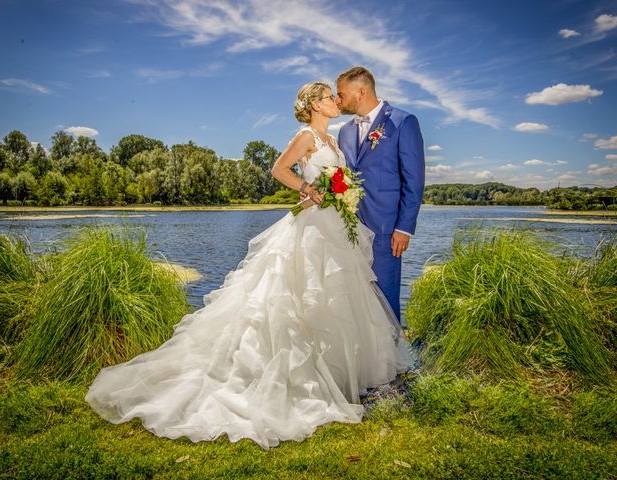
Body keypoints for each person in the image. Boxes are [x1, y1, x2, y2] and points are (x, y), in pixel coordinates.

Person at [85, 81, 416, 450]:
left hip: (335, 228)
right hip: (310, 228)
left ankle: (337, 377)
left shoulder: (335, 142)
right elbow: (280, 169)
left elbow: (340, 179)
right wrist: (309, 191)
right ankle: (287, 378)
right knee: (300, 296)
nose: (335, 101)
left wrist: (340, 193)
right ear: (313, 106)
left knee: (339, 296)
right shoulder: (306, 136)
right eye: (327, 97)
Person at [336, 67, 425, 324]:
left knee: (385, 298)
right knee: (353, 296)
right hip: (348, 229)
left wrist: (404, 228)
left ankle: (394, 361)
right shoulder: (344, 131)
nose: (338, 100)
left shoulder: (402, 121)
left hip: (386, 229)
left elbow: (414, 180)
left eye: (342, 95)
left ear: (361, 92)